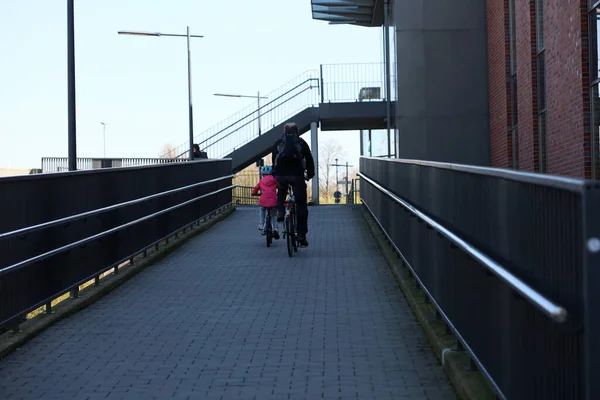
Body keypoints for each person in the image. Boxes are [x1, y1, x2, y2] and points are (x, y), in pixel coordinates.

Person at [271, 122, 315, 247]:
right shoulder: (301, 142)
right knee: (301, 205)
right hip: (296, 175)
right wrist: (310, 175)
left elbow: (273, 159)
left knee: (281, 191)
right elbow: (309, 160)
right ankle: (301, 235)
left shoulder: (278, 143)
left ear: (284, 131)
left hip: (281, 175)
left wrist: (276, 174)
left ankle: (280, 211)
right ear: (297, 131)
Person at [251, 165, 280, 239]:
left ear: (263, 174)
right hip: (273, 200)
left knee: (262, 209)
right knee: (274, 214)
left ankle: (261, 224)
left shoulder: (261, 181)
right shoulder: (274, 180)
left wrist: (254, 194)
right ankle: (275, 229)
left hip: (263, 199)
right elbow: (279, 187)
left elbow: (255, 189)